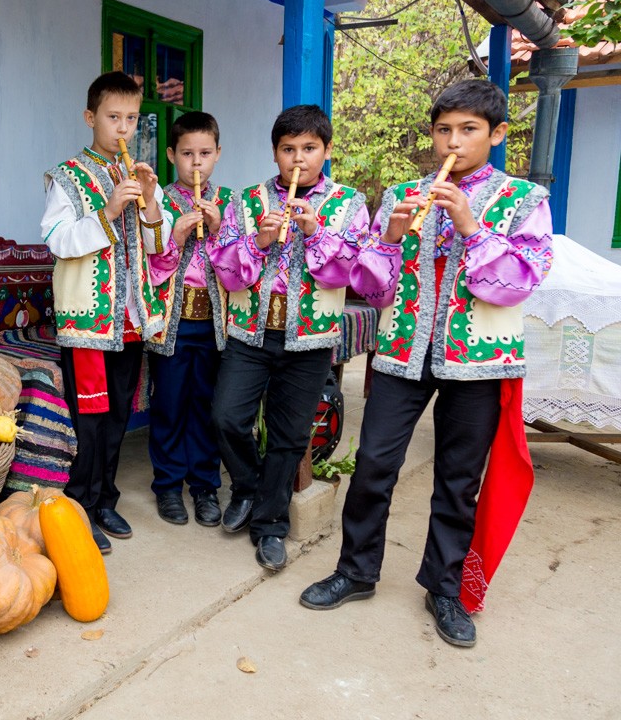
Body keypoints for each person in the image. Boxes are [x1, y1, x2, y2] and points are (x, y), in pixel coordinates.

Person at [299, 80, 554, 649]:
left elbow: (519, 282)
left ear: (497, 135)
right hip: (401, 350)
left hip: (479, 362)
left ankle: (443, 588)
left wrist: (469, 225)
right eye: (444, 131)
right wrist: (390, 236)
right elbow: (372, 283)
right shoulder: (399, 195)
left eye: (468, 131)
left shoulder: (523, 201)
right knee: (373, 465)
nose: (453, 144)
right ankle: (356, 571)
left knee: (458, 481)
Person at [208, 104, 368, 571]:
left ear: (327, 150)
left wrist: (315, 232)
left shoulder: (348, 204)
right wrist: (258, 241)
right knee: (226, 418)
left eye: (309, 149)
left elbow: (354, 270)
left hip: (310, 339)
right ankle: (246, 486)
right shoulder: (246, 200)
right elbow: (225, 266)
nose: (298, 160)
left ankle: (269, 524)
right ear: (275, 152)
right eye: (288, 149)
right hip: (250, 334)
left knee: (289, 435)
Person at [40, 71, 172, 554]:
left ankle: (106, 500)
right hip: (88, 319)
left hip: (131, 319)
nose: (122, 128)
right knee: (89, 418)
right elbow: (57, 239)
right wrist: (109, 211)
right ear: (90, 117)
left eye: (131, 118)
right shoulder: (68, 175)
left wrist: (152, 201)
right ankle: (80, 506)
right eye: (113, 117)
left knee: (118, 414)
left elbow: (160, 247)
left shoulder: (136, 174)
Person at [145, 111, 229, 527]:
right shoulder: (158, 201)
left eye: (205, 153)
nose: (196, 163)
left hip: (215, 323)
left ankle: (205, 486)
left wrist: (217, 232)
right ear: (171, 155)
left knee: (206, 405)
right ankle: (167, 485)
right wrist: (175, 238)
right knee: (170, 404)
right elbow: (150, 269)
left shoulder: (230, 204)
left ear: (217, 154)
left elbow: (238, 269)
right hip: (171, 324)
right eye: (187, 154)